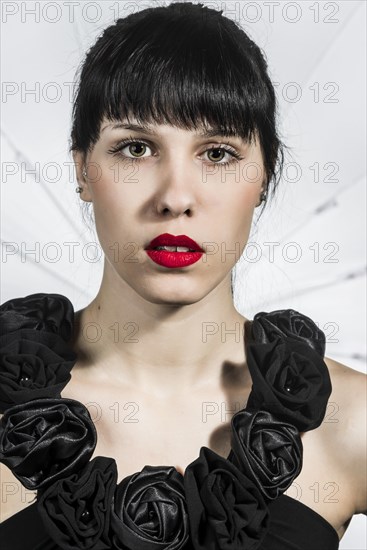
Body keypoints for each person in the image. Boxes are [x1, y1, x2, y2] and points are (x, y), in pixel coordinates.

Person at [0, 2, 365, 549]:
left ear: (264, 176)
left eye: (217, 153)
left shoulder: (352, 422)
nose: (175, 198)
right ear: (82, 170)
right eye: (136, 148)